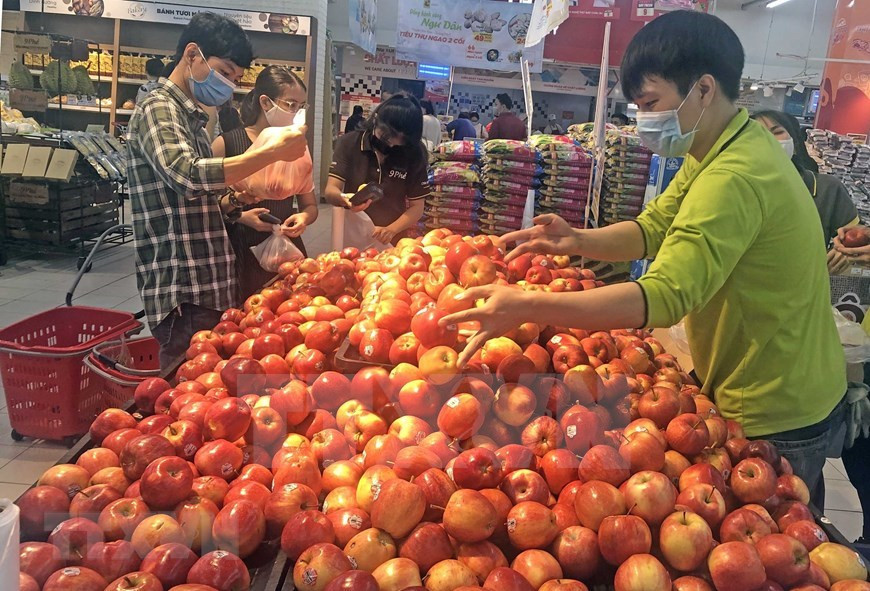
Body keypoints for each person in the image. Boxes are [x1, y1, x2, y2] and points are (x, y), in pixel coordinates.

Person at [440, 10, 846, 508]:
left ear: (702, 88)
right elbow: (655, 227)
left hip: (777, 402)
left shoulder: (735, 175)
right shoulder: (720, 147)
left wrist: (527, 304)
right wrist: (578, 241)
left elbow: (666, 296)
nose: (643, 119)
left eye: (651, 103)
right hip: (770, 373)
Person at [127, 12, 308, 369]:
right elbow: (187, 176)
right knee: (187, 388)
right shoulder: (159, 108)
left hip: (207, 284)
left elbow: (192, 200)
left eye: (235, 78)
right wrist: (267, 154)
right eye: (224, 72)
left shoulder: (191, 117)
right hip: (185, 291)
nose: (228, 85)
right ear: (192, 55)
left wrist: (235, 205)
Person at [212, 65, 319, 299]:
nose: (295, 112)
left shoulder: (296, 147)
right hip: (239, 249)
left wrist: (304, 217)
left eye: (301, 106)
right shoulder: (227, 144)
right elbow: (207, 207)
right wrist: (240, 217)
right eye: (290, 104)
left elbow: (310, 205)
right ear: (265, 103)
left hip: (286, 248)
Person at [751, 110, 859, 272]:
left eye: (777, 132)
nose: (769, 140)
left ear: (794, 144)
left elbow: (856, 237)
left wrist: (845, 251)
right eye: (758, 134)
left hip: (804, 287)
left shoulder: (827, 189)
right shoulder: (736, 189)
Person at [326, 93, 429, 245]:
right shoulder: (350, 143)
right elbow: (330, 190)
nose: (392, 144)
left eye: (402, 141)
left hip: (393, 240)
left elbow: (417, 207)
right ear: (375, 120)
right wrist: (345, 199)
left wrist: (391, 230)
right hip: (352, 235)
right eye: (387, 137)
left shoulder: (413, 153)